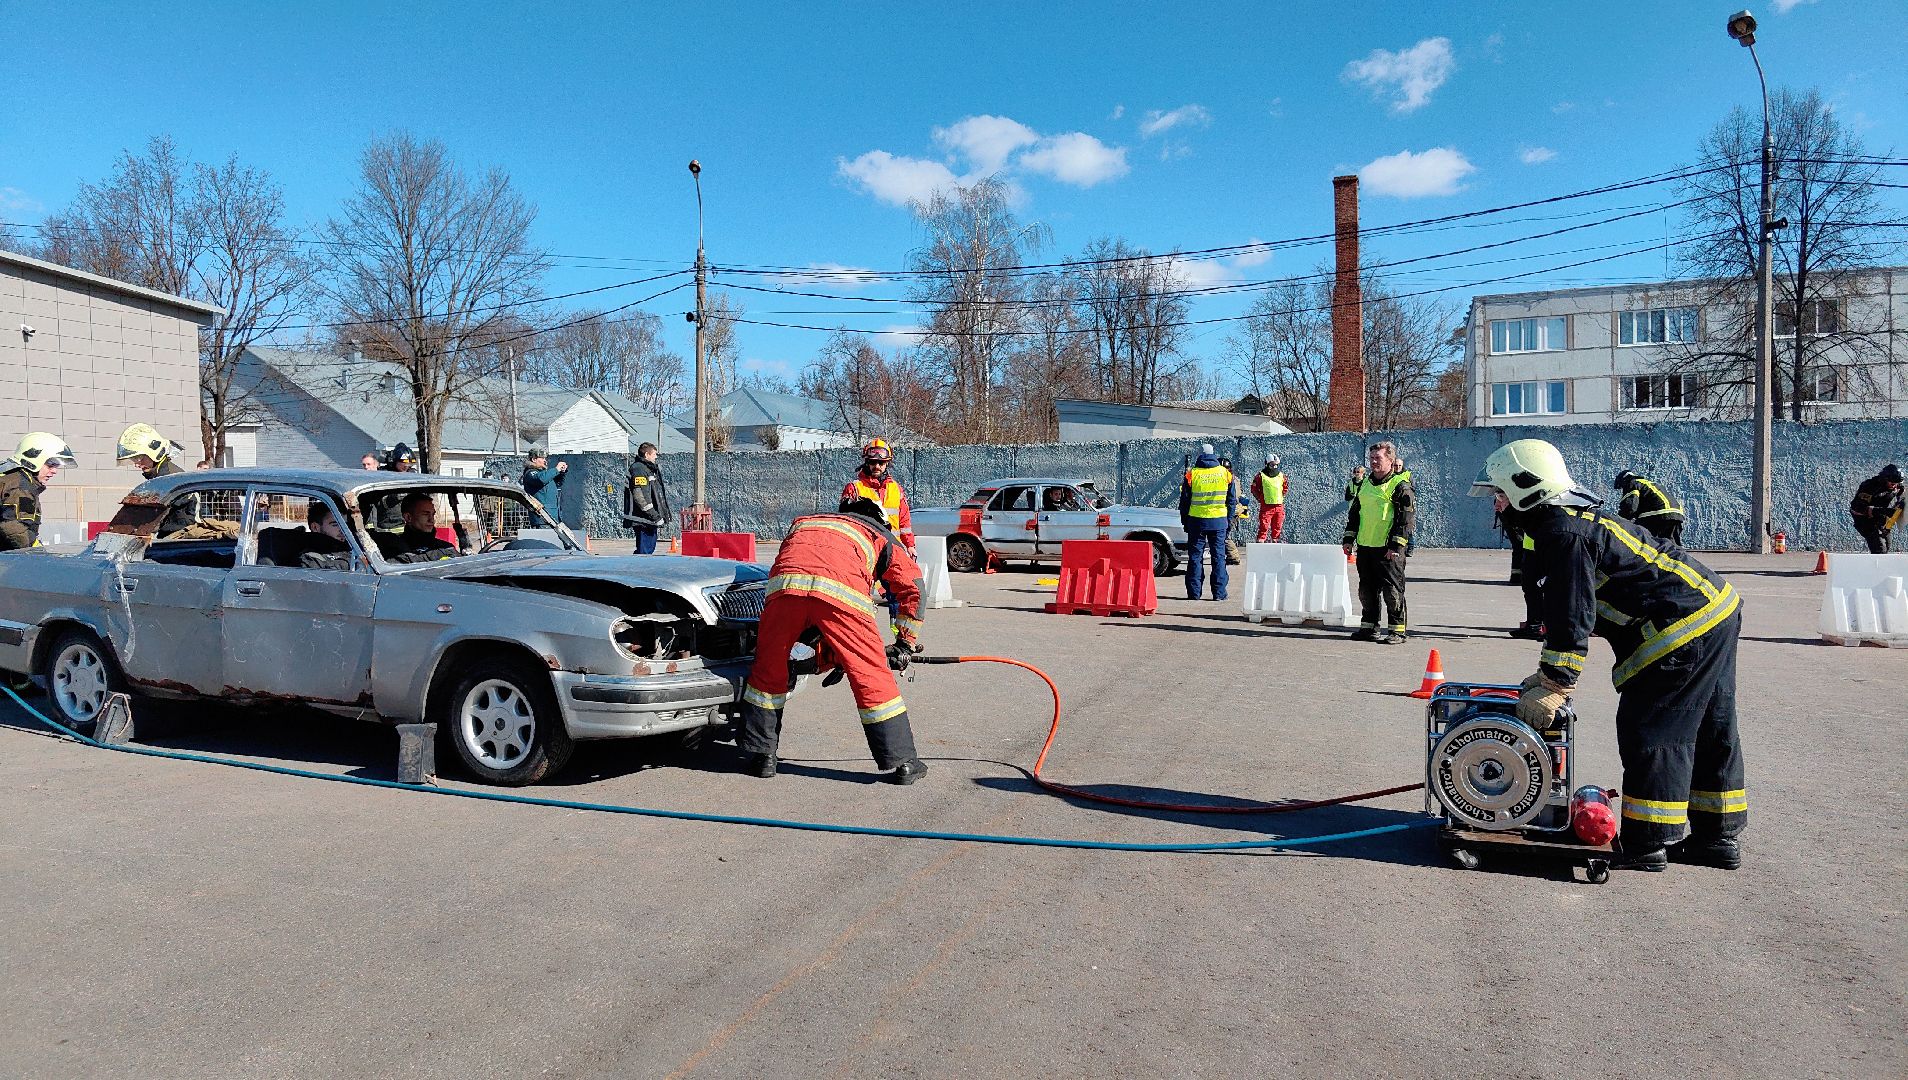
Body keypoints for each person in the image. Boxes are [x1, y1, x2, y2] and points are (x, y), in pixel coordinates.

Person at [1471, 438, 1745, 873]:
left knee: (1652, 728)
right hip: (1714, 608)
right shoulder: (1567, 519)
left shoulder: (1561, 532)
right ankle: (1716, 838)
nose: (1497, 505)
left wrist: (1553, 683)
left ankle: (1647, 843)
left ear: (1527, 488)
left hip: (1681, 624)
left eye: (1501, 494)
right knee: (1710, 725)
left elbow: (1570, 613)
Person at [735, 496, 928, 784]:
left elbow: (804, 569)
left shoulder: (805, 523)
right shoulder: (879, 533)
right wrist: (905, 642)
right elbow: (914, 590)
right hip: (842, 596)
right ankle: (902, 762)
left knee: (768, 670)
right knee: (870, 674)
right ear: (878, 519)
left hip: (783, 591)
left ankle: (762, 756)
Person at [1342, 441, 1414, 643]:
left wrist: (1396, 546)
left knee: (1392, 591)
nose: (1373, 462)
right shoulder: (1363, 484)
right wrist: (1349, 539)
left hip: (1388, 549)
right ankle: (1369, 628)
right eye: (1371, 458)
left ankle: (1397, 631)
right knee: (1366, 591)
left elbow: (1406, 519)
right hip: (1366, 546)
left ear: (1390, 460)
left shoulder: (1400, 486)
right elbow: (1355, 514)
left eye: (1378, 458)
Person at [0, 432, 76, 551]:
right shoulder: (21, 486)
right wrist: (37, 550)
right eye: (50, 465)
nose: (54, 471)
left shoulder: (10, 477)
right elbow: (13, 527)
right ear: (33, 461)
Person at [1178, 443, 1236, 601]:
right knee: (1219, 557)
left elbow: (1184, 502)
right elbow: (1231, 501)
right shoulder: (1225, 474)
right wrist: (1228, 521)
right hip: (1218, 523)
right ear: (1214, 454)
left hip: (1196, 522)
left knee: (1195, 558)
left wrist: (1185, 522)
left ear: (1199, 455)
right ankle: (1219, 594)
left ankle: (1194, 594)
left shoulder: (1192, 474)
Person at [841, 438, 915, 553]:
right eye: (872, 462)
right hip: (865, 550)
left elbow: (904, 523)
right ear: (867, 462)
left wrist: (910, 546)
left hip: (892, 549)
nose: (877, 466)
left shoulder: (896, 489)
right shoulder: (854, 488)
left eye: (881, 463)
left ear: (887, 464)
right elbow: (845, 524)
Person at [371, 493, 457, 563]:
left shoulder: (445, 547)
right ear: (408, 517)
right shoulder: (394, 549)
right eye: (425, 514)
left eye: (433, 514)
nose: (431, 520)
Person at [620, 442, 671, 554]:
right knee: (644, 555)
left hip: (648, 519)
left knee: (646, 552)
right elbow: (640, 496)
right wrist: (654, 516)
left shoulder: (647, 469)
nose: (656, 457)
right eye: (654, 454)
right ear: (647, 454)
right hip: (643, 519)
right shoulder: (639, 469)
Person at [1613, 471, 1686, 545]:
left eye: (1622, 487)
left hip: (1657, 515)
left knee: (1642, 539)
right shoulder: (1647, 483)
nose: (1623, 489)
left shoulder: (1632, 483)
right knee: (1672, 546)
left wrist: (1618, 521)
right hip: (1676, 515)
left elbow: (1629, 507)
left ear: (1624, 480)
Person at [1850, 464, 1904, 554]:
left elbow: (1901, 492)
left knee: (1887, 546)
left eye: (1897, 484)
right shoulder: (1869, 486)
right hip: (1864, 520)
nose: (1895, 486)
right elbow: (1857, 508)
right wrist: (1884, 511)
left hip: (1880, 519)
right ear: (1885, 479)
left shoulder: (1896, 484)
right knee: (1879, 549)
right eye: (1892, 484)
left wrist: (1900, 502)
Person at [115, 423, 186, 480]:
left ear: (155, 453)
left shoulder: (170, 478)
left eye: (139, 458)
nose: (137, 465)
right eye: (134, 459)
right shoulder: (160, 476)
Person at [520, 449, 568, 520]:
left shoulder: (544, 474)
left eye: (545, 458)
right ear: (534, 459)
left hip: (553, 515)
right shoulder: (530, 473)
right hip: (541, 517)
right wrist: (556, 469)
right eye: (542, 458)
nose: (545, 460)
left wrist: (562, 472)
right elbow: (541, 479)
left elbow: (558, 483)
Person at [1254, 453, 1288, 543]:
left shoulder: (1281, 475)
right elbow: (1254, 489)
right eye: (1272, 465)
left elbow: (1285, 488)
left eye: (1276, 465)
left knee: (1277, 527)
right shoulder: (1260, 476)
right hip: (1266, 506)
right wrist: (1260, 499)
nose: (1274, 467)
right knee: (1263, 527)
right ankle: (1260, 544)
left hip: (1279, 506)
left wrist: (1279, 497)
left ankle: (1275, 543)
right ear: (1267, 464)